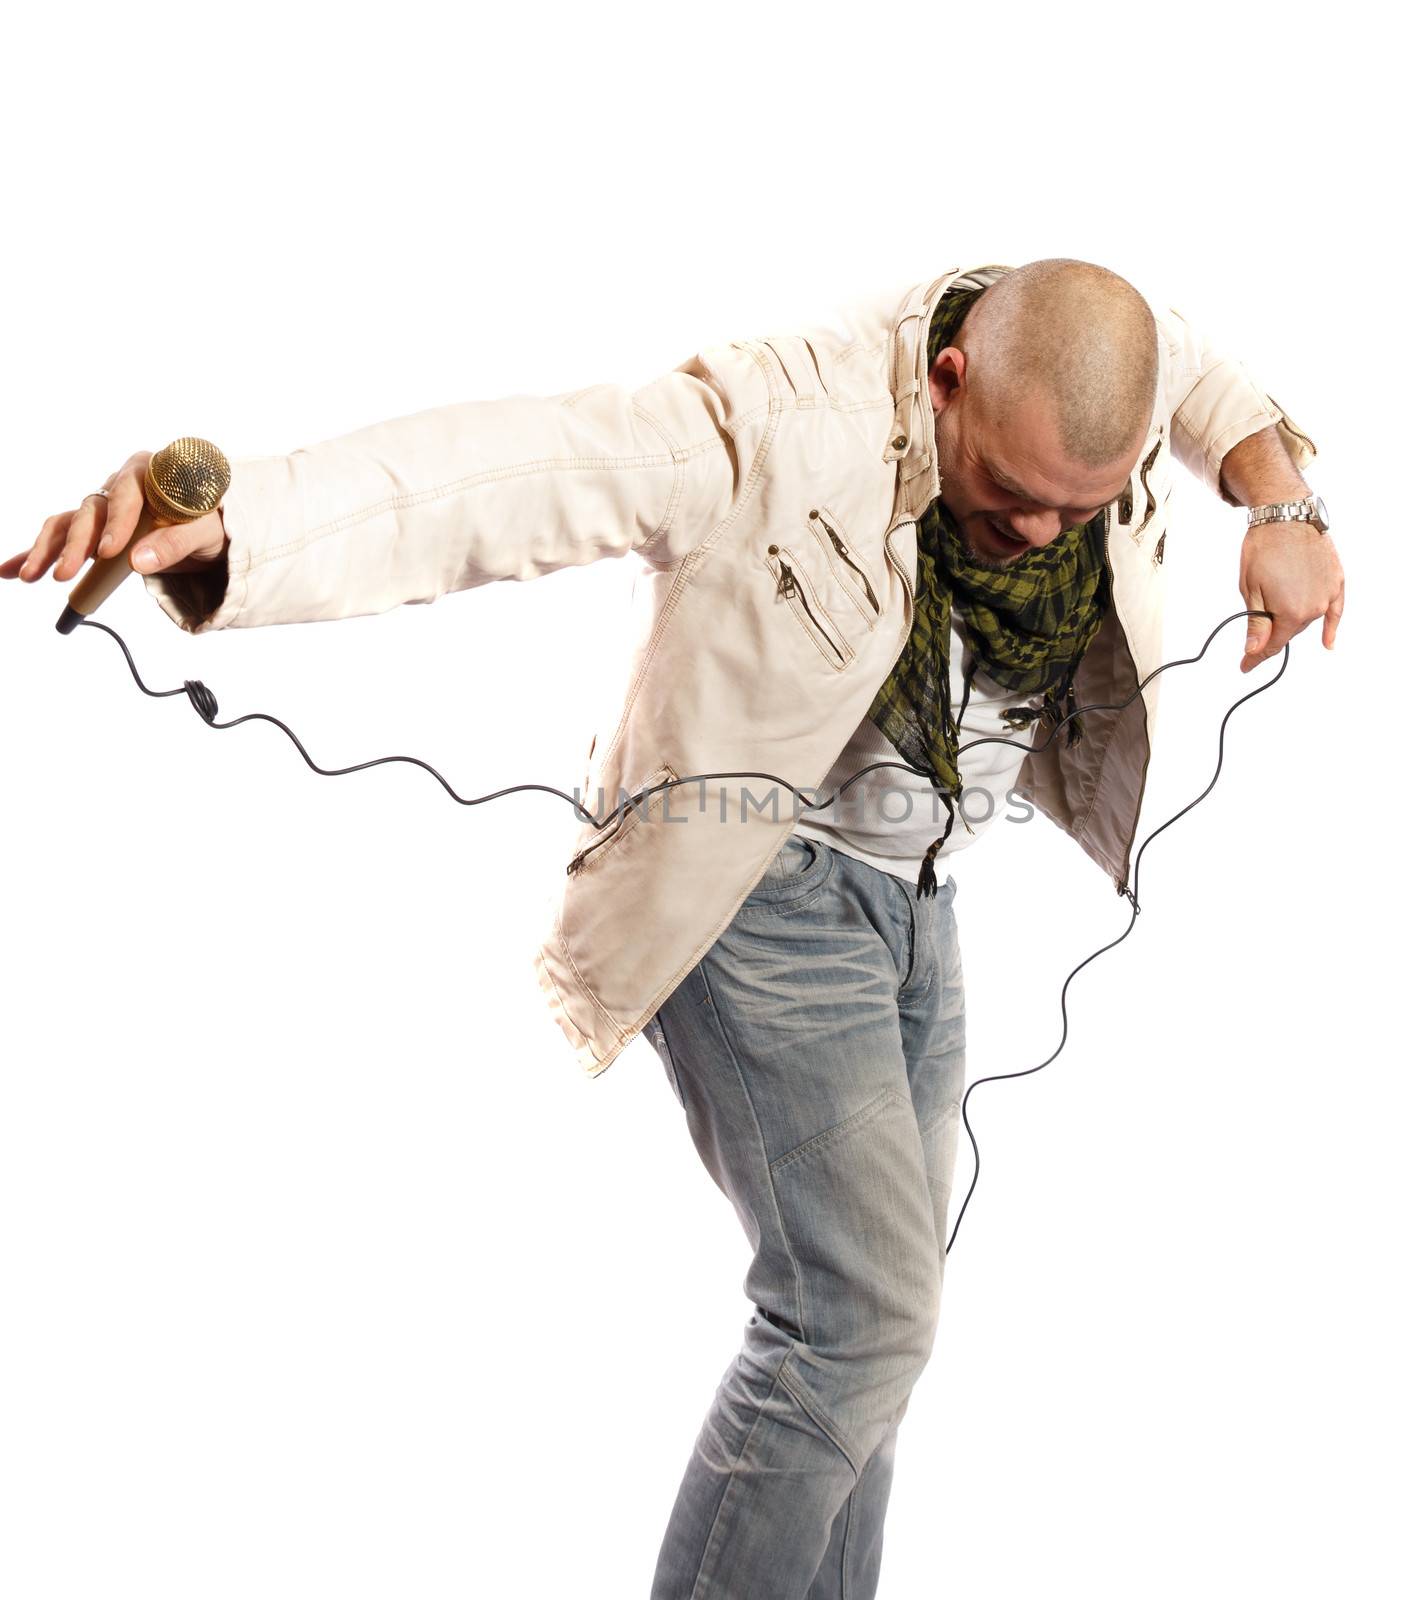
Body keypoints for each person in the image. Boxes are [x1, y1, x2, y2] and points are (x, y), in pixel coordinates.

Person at [5, 258, 1343, 1596]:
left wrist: (1280, 500)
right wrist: (243, 521)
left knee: (871, 1343)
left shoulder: (1100, 351)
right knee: (859, 1320)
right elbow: (515, 474)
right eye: (1015, 493)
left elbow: (1204, 377)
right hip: (754, 890)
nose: (1048, 537)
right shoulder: (779, 420)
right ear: (949, 381)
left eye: (1084, 508)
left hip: (920, 895)